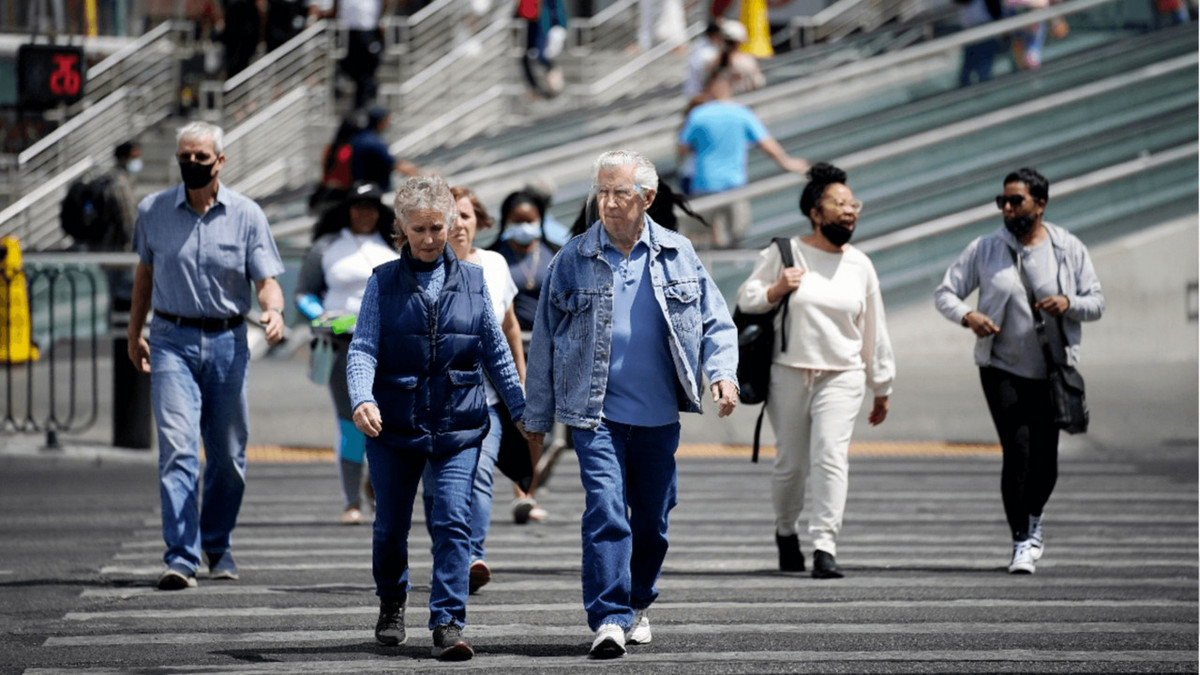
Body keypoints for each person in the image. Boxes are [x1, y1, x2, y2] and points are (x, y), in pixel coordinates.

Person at [523, 150, 740, 659]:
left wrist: (723, 374)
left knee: (653, 521)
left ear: (646, 197)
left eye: (620, 193)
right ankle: (609, 618)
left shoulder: (679, 252)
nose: (609, 202)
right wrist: (535, 417)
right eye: (601, 192)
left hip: (659, 417)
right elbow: (545, 343)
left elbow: (715, 321)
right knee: (605, 511)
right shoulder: (572, 257)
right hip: (594, 414)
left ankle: (638, 601)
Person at [346, 173, 531, 660]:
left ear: (451, 224)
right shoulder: (382, 283)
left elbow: (495, 349)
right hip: (394, 425)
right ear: (402, 229)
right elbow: (363, 347)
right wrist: (361, 397)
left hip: (460, 426)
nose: (429, 240)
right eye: (419, 230)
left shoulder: (475, 280)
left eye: (437, 228)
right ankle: (392, 602)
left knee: (453, 521)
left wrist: (521, 409)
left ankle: (448, 621)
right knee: (390, 525)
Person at [126, 121, 287, 590]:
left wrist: (272, 310)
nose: (191, 164)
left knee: (229, 457)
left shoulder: (247, 215)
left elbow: (267, 279)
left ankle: (217, 541)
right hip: (172, 339)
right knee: (178, 451)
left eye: (201, 157)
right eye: (184, 157)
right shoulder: (153, 211)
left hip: (227, 342)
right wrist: (136, 332)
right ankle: (181, 555)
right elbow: (144, 276)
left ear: (220, 161)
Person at [934, 167, 1104, 575]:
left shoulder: (1068, 248)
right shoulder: (985, 249)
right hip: (1000, 367)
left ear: (1040, 204)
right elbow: (945, 293)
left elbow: (1096, 302)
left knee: (1046, 459)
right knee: (1018, 451)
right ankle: (1021, 541)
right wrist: (969, 316)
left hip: (1052, 370)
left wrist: (1068, 303)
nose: (1007, 209)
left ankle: (1034, 520)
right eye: (1003, 202)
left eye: (1016, 201)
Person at [735, 162, 895, 580]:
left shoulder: (861, 265)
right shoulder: (786, 252)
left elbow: (873, 329)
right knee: (791, 464)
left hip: (843, 375)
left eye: (853, 203)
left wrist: (882, 384)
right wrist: (776, 288)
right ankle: (786, 531)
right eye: (839, 203)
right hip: (788, 372)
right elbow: (747, 297)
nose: (849, 210)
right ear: (815, 212)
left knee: (830, 457)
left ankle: (825, 544)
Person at [420, 185, 541, 594]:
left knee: (480, 475)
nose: (458, 225)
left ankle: (471, 555)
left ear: (479, 223)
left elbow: (509, 329)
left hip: (484, 399)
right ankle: (450, 555)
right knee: (437, 489)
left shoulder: (494, 265)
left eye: (466, 216)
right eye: (450, 217)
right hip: (431, 403)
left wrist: (520, 387)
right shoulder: (421, 268)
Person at [295, 182, 399, 525]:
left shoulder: (394, 243)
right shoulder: (326, 247)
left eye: (371, 206)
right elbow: (304, 293)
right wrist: (319, 315)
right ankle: (351, 499)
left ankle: (378, 484)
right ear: (347, 210)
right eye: (358, 206)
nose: (365, 213)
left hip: (390, 344)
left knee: (391, 422)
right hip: (343, 344)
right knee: (352, 422)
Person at [677, 59, 807, 247]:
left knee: (701, 241)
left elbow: (682, 149)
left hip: (704, 184)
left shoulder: (698, 114)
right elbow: (767, 144)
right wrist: (787, 162)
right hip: (734, 184)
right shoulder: (742, 113)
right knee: (738, 237)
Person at [489, 189, 558, 331]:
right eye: (517, 221)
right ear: (507, 221)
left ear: (539, 220)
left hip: (554, 336)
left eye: (529, 221)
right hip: (515, 339)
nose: (524, 227)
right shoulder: (494, 257)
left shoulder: (555, 252)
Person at [516, 0, 568, 98]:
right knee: (525, 58)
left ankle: (553, 77)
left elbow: (557, 6)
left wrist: (561, 26)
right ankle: (535, 88)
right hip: (530, 23)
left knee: (541, 56)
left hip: (542, 25)